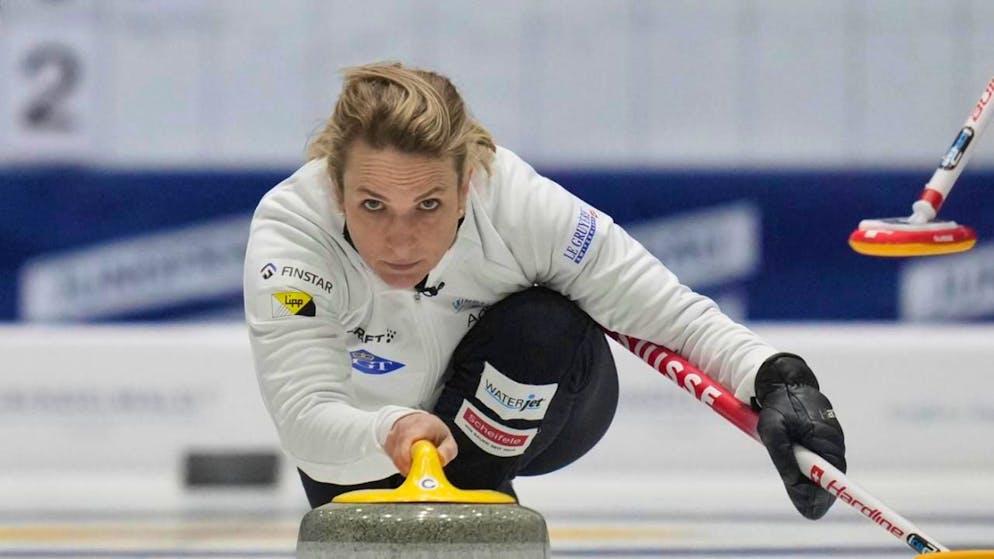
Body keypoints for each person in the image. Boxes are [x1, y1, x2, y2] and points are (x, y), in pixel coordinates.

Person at [243, 61, 846, 519]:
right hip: (366, 443)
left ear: (468, 183)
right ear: (334, 186)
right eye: (372, 205)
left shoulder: (520, 205)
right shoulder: (293, 230)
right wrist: (391, 430)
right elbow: (306, 416)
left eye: (429, 204)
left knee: (546, 324)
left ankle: (475, 502)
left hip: (536, 414)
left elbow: (671, 316)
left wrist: (778, 377)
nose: (400, 241)